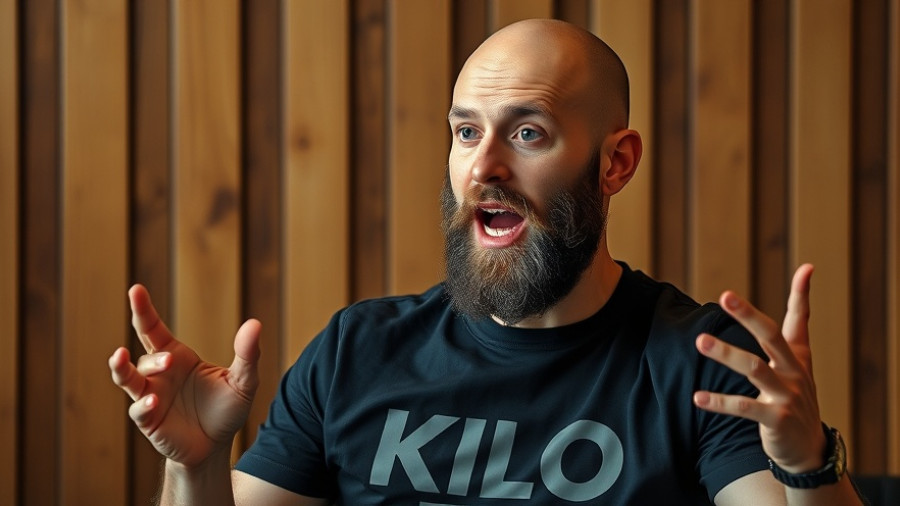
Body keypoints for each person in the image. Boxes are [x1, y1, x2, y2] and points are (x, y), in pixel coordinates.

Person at [109, 18, 867, 505]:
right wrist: (198, 469)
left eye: (528, 133)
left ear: (615, 163)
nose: (484, 168)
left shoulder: (700, 365)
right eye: (466, 133)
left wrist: (806, 465)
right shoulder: (356, 351)